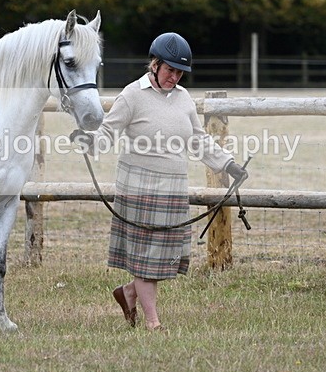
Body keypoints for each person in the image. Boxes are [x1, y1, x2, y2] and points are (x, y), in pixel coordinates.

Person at [71, 32, 248, 332]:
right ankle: (153, 323)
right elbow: (107, 133)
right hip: (139, 188)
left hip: (173, 189)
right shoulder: (132, 95)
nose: (174, 77)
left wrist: (229, 165)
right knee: (146, 259)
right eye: (169, 70)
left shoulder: (184, 98)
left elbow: (198, 140)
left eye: (179, 72)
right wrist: (88, 141)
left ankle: (129, 293)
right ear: (154, 65)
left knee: (162, 259)